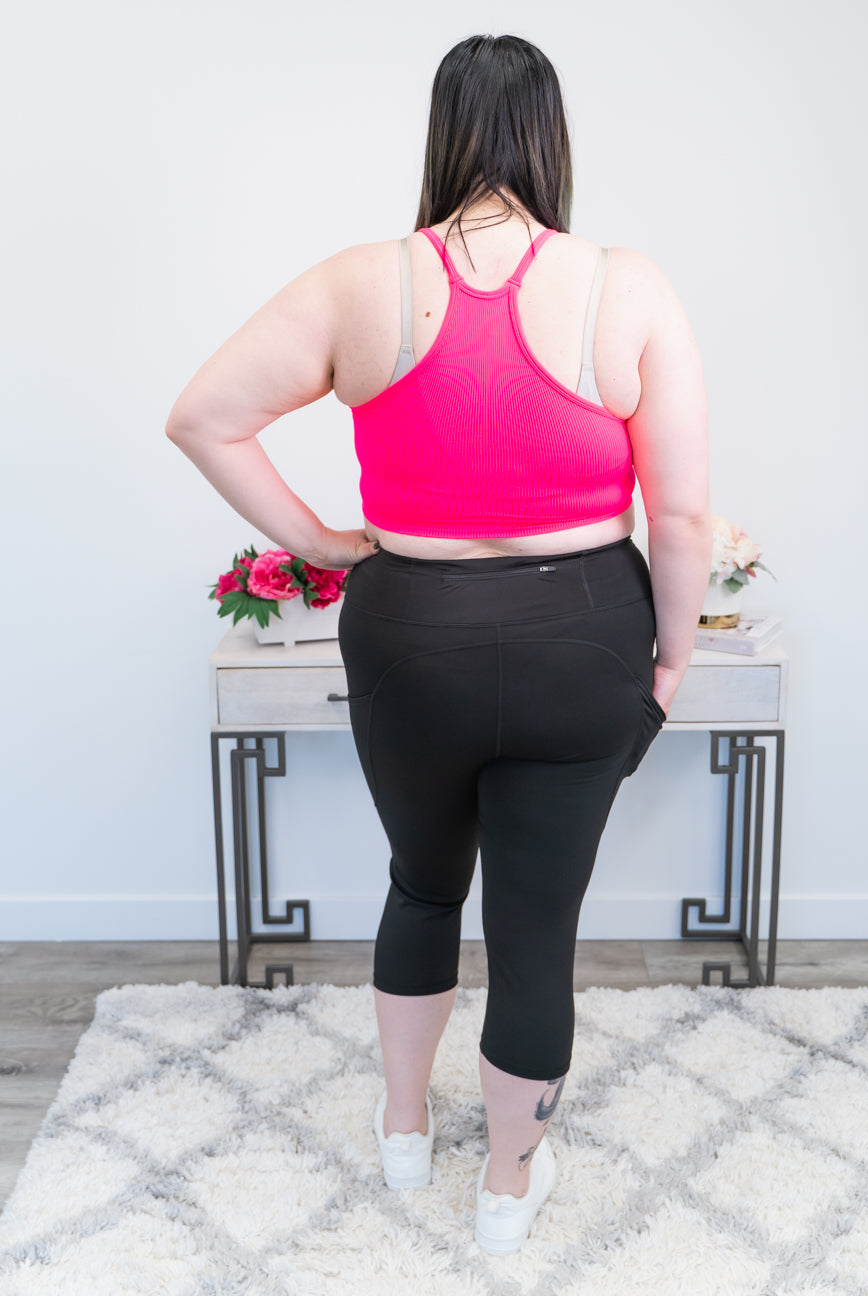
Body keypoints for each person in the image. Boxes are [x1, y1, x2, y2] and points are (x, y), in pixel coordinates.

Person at [165, 32, 711, 1256]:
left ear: (444, 131)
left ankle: (405, 1130)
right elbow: (678, 517)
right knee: (536, 923)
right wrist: (671, 664)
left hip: (411, 634)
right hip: (584, 639)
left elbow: (203, 417)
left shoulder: (360, 282)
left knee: (423, 881)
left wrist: (323, 541)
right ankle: (508, 1188)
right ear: (550, 136)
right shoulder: (626, 285)